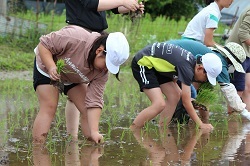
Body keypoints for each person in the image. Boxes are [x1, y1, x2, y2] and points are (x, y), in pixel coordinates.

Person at [32, 25, 130, 144]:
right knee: (49, 106)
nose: (106, 69)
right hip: (47, 68)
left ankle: (91, 147)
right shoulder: (75, 38)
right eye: (106, 64)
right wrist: (51, 66)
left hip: (73, 77)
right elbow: (44, 45)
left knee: (86, 110)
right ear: (99, 51)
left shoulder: (102, 73)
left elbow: (94, 100)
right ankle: (38, 147)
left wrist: (94, 131)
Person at [64, 0, 145, 140]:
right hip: (81, 35)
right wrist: (124, 1)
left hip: (97, 36)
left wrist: (129, 7)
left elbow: (113, 8)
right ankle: (73, 137)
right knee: (76, 88)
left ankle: (83, 136)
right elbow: (91, 4)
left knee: (91, 88)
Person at [130, 41, 223, 131]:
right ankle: (133, 130)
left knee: (175, 95)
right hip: (143, 63)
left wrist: (190, 101)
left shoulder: (189, 62)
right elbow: (186, 102)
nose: (205, 80)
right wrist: (200, 124)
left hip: (157, 67)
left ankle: (162, 128)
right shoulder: (187, 69)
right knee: (159, 104)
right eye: (206, 77)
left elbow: (173, 77)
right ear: (200, 68)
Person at [166, 39, 250, 123]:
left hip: (167, 53)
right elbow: (229, 92)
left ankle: (171, 121)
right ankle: (178, 122)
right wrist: (245, 113)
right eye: (233, 65)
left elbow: (201, 88)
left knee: (185, 94)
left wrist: (205, 120)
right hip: (169, 57)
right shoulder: (219, 62)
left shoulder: (212, 53)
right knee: (189, 94)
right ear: (229, 59)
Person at [226, 6, 250, 112]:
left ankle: (247, 123)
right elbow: (243, 34)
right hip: (237, 53)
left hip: (247, 53)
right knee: (237, 90)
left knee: (247, 88)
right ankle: (233, 124)